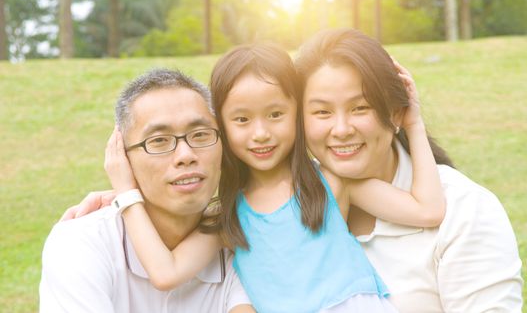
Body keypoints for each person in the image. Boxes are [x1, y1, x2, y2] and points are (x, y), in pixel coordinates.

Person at [101, 42, 447, 313]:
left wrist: (413, 125)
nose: (261, 133)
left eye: (276, 114)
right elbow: (165, 273)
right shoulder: (228, 217)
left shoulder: (331, 182)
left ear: (298, 112)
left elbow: (427, 210)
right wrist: (125, 192)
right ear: (219, 124)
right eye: (241, 120)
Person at [295, 28, 524, 312]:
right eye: (322, 112)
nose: (341, 129)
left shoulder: (464, 209)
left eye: (360, 108)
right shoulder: (286, 206)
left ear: (394, 112)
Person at [39, 69, 254, 313]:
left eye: (201, 135)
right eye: (159, 141)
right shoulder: (82, 243)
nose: (186, 155)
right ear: (122, 156)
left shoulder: (241, 243)